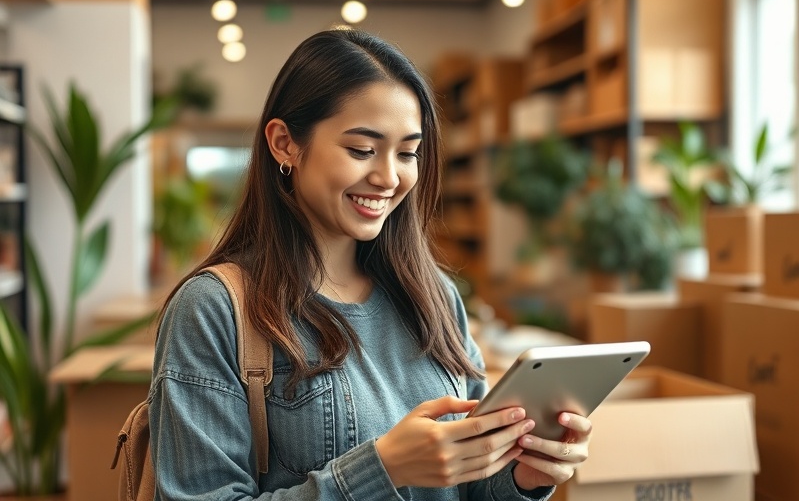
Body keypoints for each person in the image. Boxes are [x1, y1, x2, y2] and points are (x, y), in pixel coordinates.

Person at [149, 28, 592, 500]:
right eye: (362, 150)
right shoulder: (213, 310)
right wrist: (382, 468)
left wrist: (524, 475)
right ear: (284, 144)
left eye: (407, 153)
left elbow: (472, 484)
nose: (388, 177)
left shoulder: (435, 296)